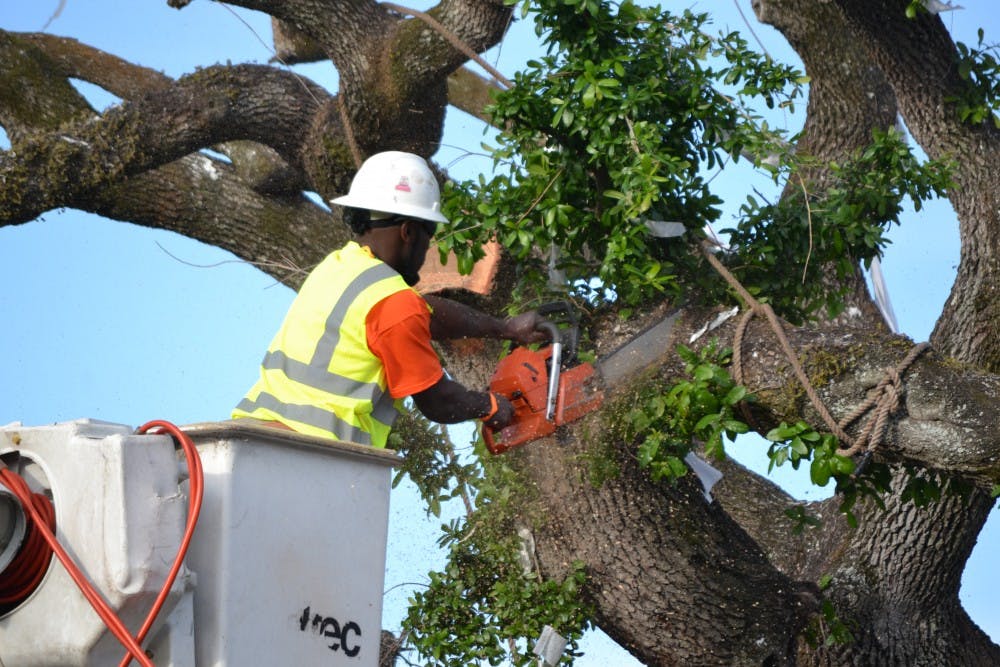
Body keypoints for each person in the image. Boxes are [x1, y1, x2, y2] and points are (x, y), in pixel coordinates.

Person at [232, 150, 546, 447]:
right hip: (316, 456)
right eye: (429, 236)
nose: (427, 251)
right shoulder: (393, 303)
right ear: (409, 231)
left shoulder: (339, 267)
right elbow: (438, 401)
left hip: (258, 439)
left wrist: (504, 328)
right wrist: (490, 406)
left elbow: (425, 313)